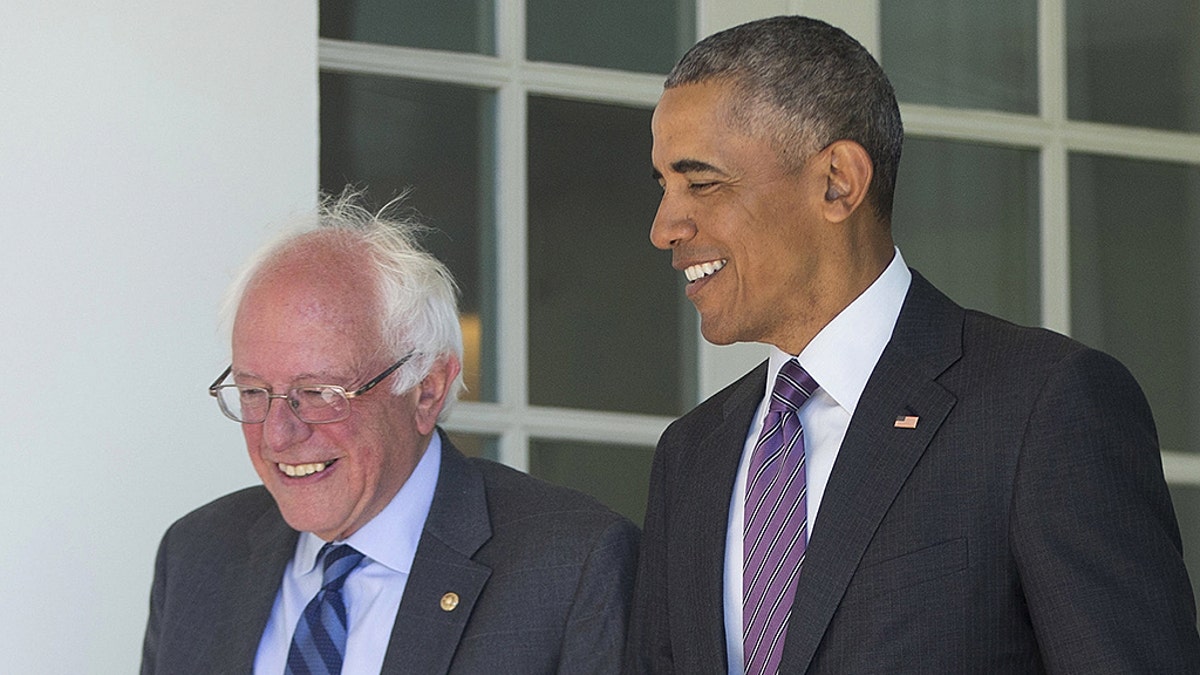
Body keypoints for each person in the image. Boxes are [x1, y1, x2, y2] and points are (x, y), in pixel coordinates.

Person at [624, 15, 1200, 674]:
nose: (665, 225)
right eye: (663, 186)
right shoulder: (691, 454)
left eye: (701, 183)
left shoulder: (1040, 407)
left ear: (838, 180)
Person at [141, 194, 638, 674]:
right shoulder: (197, 556)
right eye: (253, 392)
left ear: (427, 390)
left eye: (318, 392)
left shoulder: (572, 567)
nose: (277, 435)